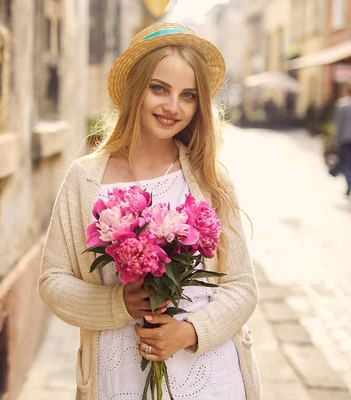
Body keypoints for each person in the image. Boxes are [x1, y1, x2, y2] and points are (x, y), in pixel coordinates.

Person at [39, 23, 260, 400]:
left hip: (210, 376)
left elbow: (241, 287)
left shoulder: (209, 177)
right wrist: (119, 302)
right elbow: (52, 281)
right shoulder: (85, 179)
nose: (173, 107)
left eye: (188, 95)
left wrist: (189, 333)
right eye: (159, 88)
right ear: (134, 90)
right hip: (117, 376)